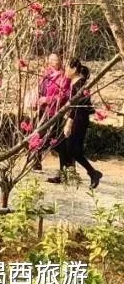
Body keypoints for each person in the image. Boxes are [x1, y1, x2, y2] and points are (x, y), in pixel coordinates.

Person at [49, 58, 103, 189]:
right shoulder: (75, 82)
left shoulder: (80, 84)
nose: (65, 70)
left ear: (74, 69)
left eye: (67, 67)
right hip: (75, 118)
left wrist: (69, 122)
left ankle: (93, 173)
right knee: (61, 145)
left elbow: (78, 106)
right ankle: (62, 174)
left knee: (74, 151)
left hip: (78, 120)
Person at [30, 52, 70, 172]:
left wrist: (47, 100)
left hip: (54, 112)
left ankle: (66, 166)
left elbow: (64, 96)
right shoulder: (46, 75)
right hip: (42, 111)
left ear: (60, 61)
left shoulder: (63, 77)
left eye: (55, 60)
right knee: (39, 135)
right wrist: (35, 99)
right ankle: (36, 162)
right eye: (51, 60)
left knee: (55, 140)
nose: (53, 63)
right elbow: (40, 89)